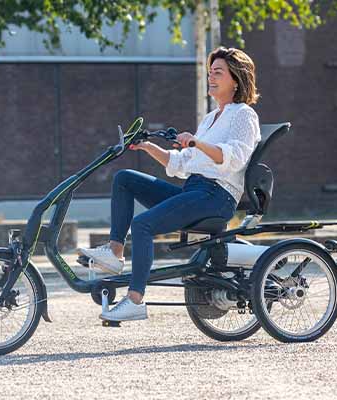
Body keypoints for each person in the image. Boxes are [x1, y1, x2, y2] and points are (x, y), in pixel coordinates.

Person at [77, 47, 262, 322]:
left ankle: (135, 299)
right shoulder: (211, 118)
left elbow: (233, 158)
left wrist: (198, 142)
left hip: (216, 196)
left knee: (143, 225)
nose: (211, 77)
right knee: (125, 179)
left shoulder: (243, 115)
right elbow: (183, 162)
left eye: (218, 72)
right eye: (210, 72)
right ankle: (115, 252)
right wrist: (148, 146)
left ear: (236, 79)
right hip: (196, 190)